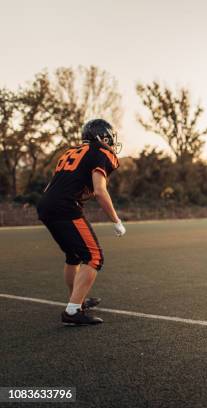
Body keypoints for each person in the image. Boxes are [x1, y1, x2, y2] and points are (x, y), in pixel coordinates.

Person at [37, 119, 126, 326]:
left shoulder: (70, 152)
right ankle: (73, 310)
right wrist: (116, 220)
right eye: (109, 138)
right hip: (64, 206)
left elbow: (53, 184)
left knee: (73, 256)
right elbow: (100, 191)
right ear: (102, 137)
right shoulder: (101, 153)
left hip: (45, 204)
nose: (111, 142)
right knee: (94, 257)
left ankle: (77, 300)